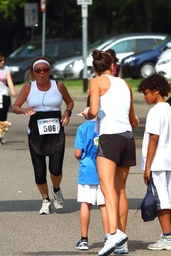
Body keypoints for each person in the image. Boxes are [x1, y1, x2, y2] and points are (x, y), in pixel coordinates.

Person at [87, 49, 139, 256]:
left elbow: (93, 111)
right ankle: (122, 240)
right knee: (121, 191)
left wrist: (87, 114)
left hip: (109, 137)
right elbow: (134, 119)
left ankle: (112, 234)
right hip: (127, 137)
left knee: (106, 188)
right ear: (112, 65)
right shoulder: (125, 84)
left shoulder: (96, 82)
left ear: (95, 69)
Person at [11, 56, 74, 215]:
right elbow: (15, 107)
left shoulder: (58, 85)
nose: (42, 73)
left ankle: (56, 189)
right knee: (39, 172)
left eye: (45, 70)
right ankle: (45, 199)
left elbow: (70, 102)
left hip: (56, 132)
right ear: (33, 73)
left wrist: (67, 112)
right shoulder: (28, 87)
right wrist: (24, 110)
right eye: (38, 70)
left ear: (49, 71)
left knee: (56, 168)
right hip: (36, 132)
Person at [137, 73, 171, 251]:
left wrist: (147, 167)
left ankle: (168, 238)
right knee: (169, 200)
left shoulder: (155, 112)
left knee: (161, 200)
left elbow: (154, 138)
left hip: (157, 161)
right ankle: (168, 233)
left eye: (146, 93)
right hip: (170, 160)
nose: (145, 96)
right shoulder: (169, 109)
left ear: (156, 90)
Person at [74, 97, 108, 251]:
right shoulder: (105, 126)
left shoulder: (82, 128)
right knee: (104, 206)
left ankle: (84, 239)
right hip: (104, 170)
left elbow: (77, 152)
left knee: (85, 204)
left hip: (87, 170)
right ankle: (108, 237)